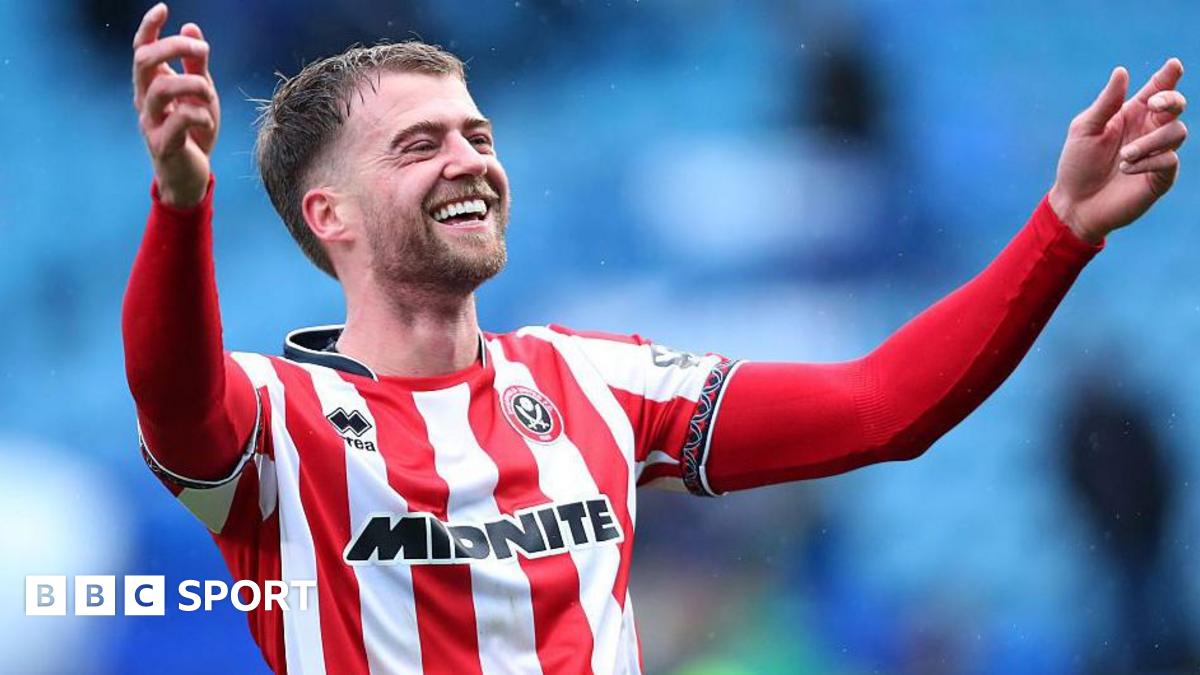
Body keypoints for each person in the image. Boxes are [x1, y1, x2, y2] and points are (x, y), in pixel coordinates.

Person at [122, 3, 1188, 674]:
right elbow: (172, 394)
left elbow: (880, 408)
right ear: (331, 216)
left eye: (478, 134)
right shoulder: (283, 420)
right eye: (420, 144)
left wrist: (1061, 229)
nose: (470, 160)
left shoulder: (597, 381)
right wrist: (180, 202)